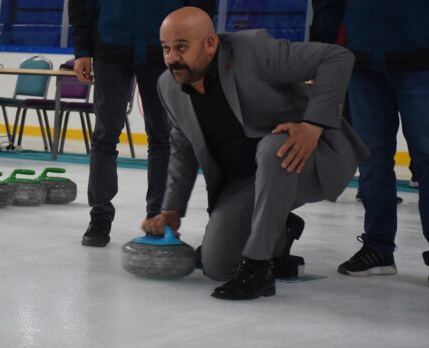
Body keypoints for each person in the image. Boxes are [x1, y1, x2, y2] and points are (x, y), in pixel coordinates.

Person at [142, 7, 369, 300]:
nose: (172, 58)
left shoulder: (253, 51)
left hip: (307, 158)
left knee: (273, 147)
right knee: (218, 265)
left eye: (182, 47)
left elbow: (337, 57)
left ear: (210, 44)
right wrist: (171, 209)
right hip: (248, 178)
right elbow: (183, 148)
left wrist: (313, 125)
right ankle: (280, 234)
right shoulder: (168, 86)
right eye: (166, 48)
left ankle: (258, 268)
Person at [68, 0, 215, 247]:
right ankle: (100, 215)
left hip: (163, 50)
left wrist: (192, 45)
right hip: (109, 45)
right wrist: (82, 50)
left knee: (163, 137)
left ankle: (158, 216)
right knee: (104, 135)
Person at [313, 0, 428, 278]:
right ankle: (378, 247)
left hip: (420, 59)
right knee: (371, 158)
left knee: (426, 156)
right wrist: (320, 47)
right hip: (362, 59)